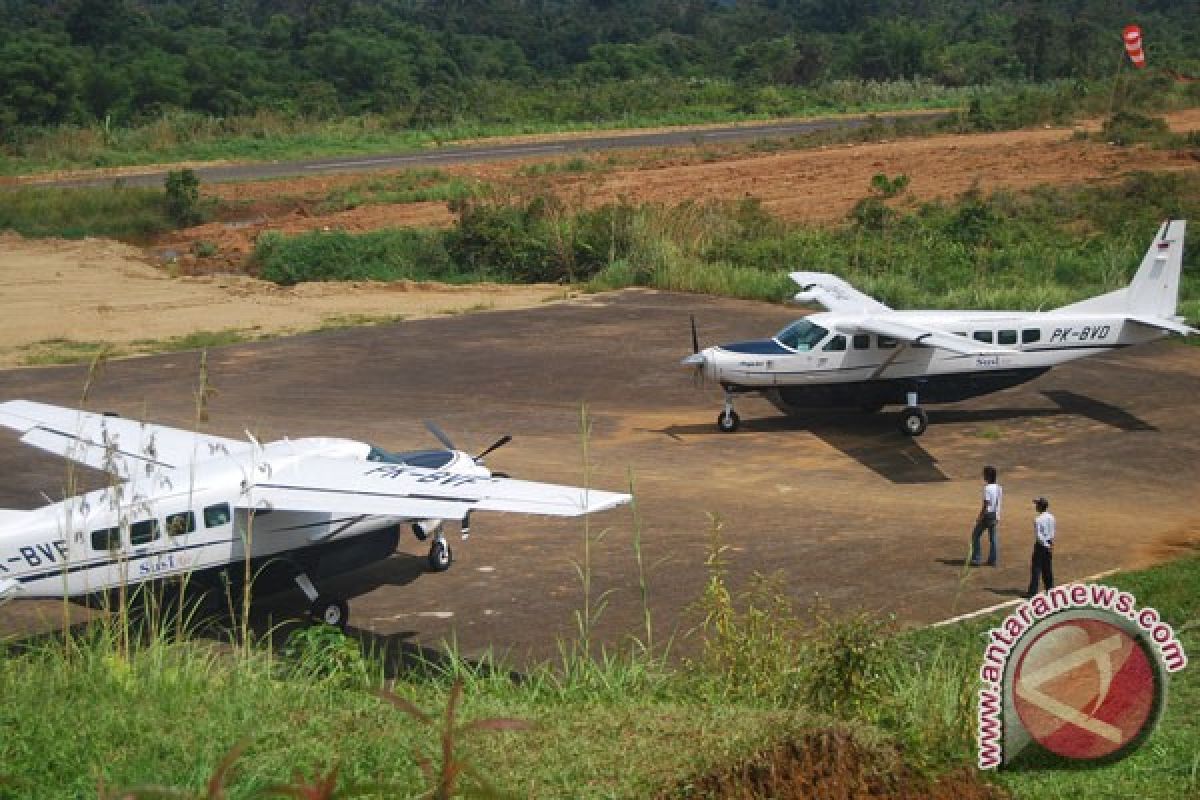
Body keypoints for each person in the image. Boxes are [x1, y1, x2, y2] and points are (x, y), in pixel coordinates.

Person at [969, 465, 1002, 566]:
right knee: (993, 539)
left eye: (984, 474)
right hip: (994, 515)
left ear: (988, 476)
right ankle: (993, 560)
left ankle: (976, 559)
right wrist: (998, 516)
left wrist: (980, 517)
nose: (983, 476)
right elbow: (999, 503)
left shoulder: (987, 488)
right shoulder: (999, 487)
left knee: (975, 535)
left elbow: (986, 504)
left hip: (987, 515)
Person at [1026, 496, 1055, 597]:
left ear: (1040, 507)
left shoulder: (1038, 520)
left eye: (1037, 504)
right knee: (1048, 570)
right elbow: (1052, 533)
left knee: (1036, 569)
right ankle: (1050, 591)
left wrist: (1045, 545)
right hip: (1049, 544)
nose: (1036, 506)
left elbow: (1039, 537)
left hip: (1041, 546)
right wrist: (1050, 545)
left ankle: (1032, 592)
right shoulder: (1052, 517)